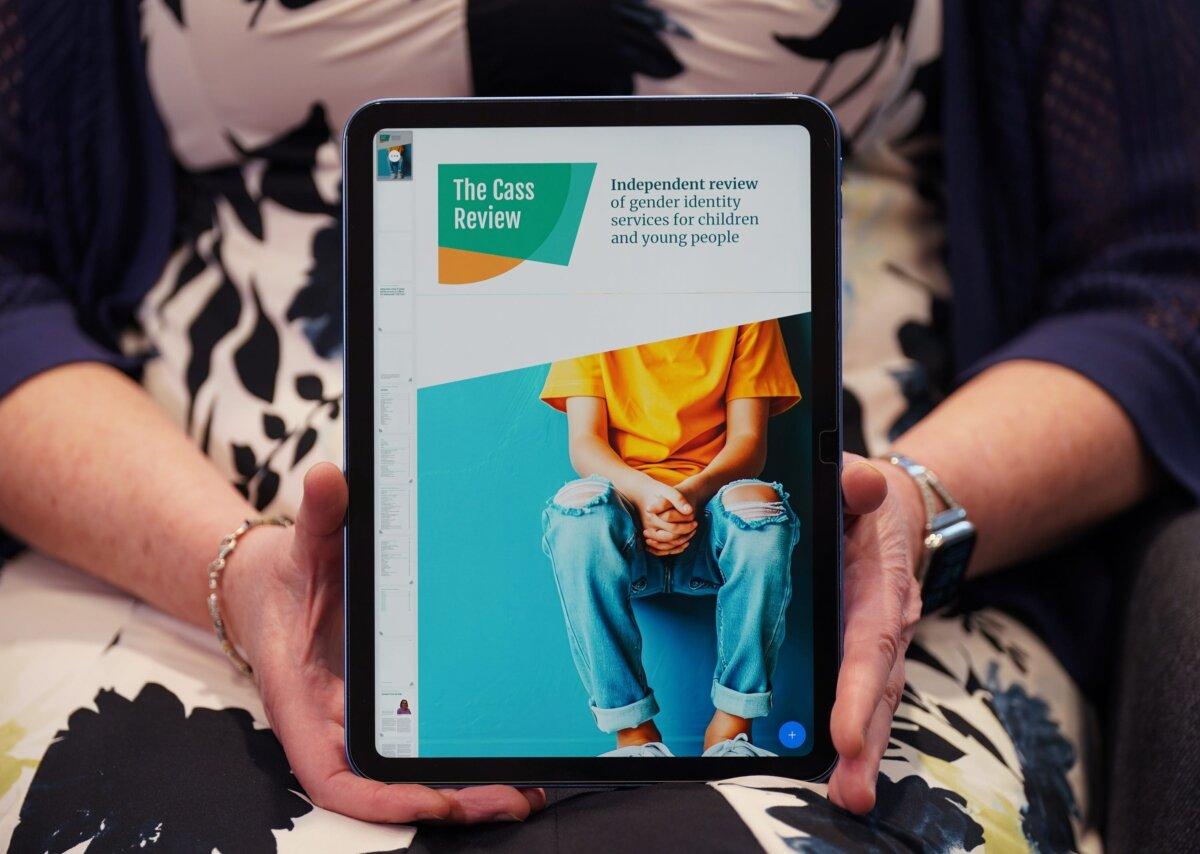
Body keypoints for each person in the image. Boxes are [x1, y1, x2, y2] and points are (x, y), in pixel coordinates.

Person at [0, 0, 1197, 847]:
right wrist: (236, 572)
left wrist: (912, 513)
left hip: (886, 587)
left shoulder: (739, 323)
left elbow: (1161, 278)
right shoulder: (592, 343)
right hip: (173, 555)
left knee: (768, 533)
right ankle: (625, 723)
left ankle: (729, 700)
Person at [539, 323, 800, 756]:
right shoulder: (585, 315)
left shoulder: (751, 316)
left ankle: (732, 729)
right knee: (576, 509)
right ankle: (633, 734)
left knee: (762, 506)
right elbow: (585, 443)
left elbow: (749, 442)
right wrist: (644, 495)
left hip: (711, 519)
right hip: (625, 529)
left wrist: (691, 496)